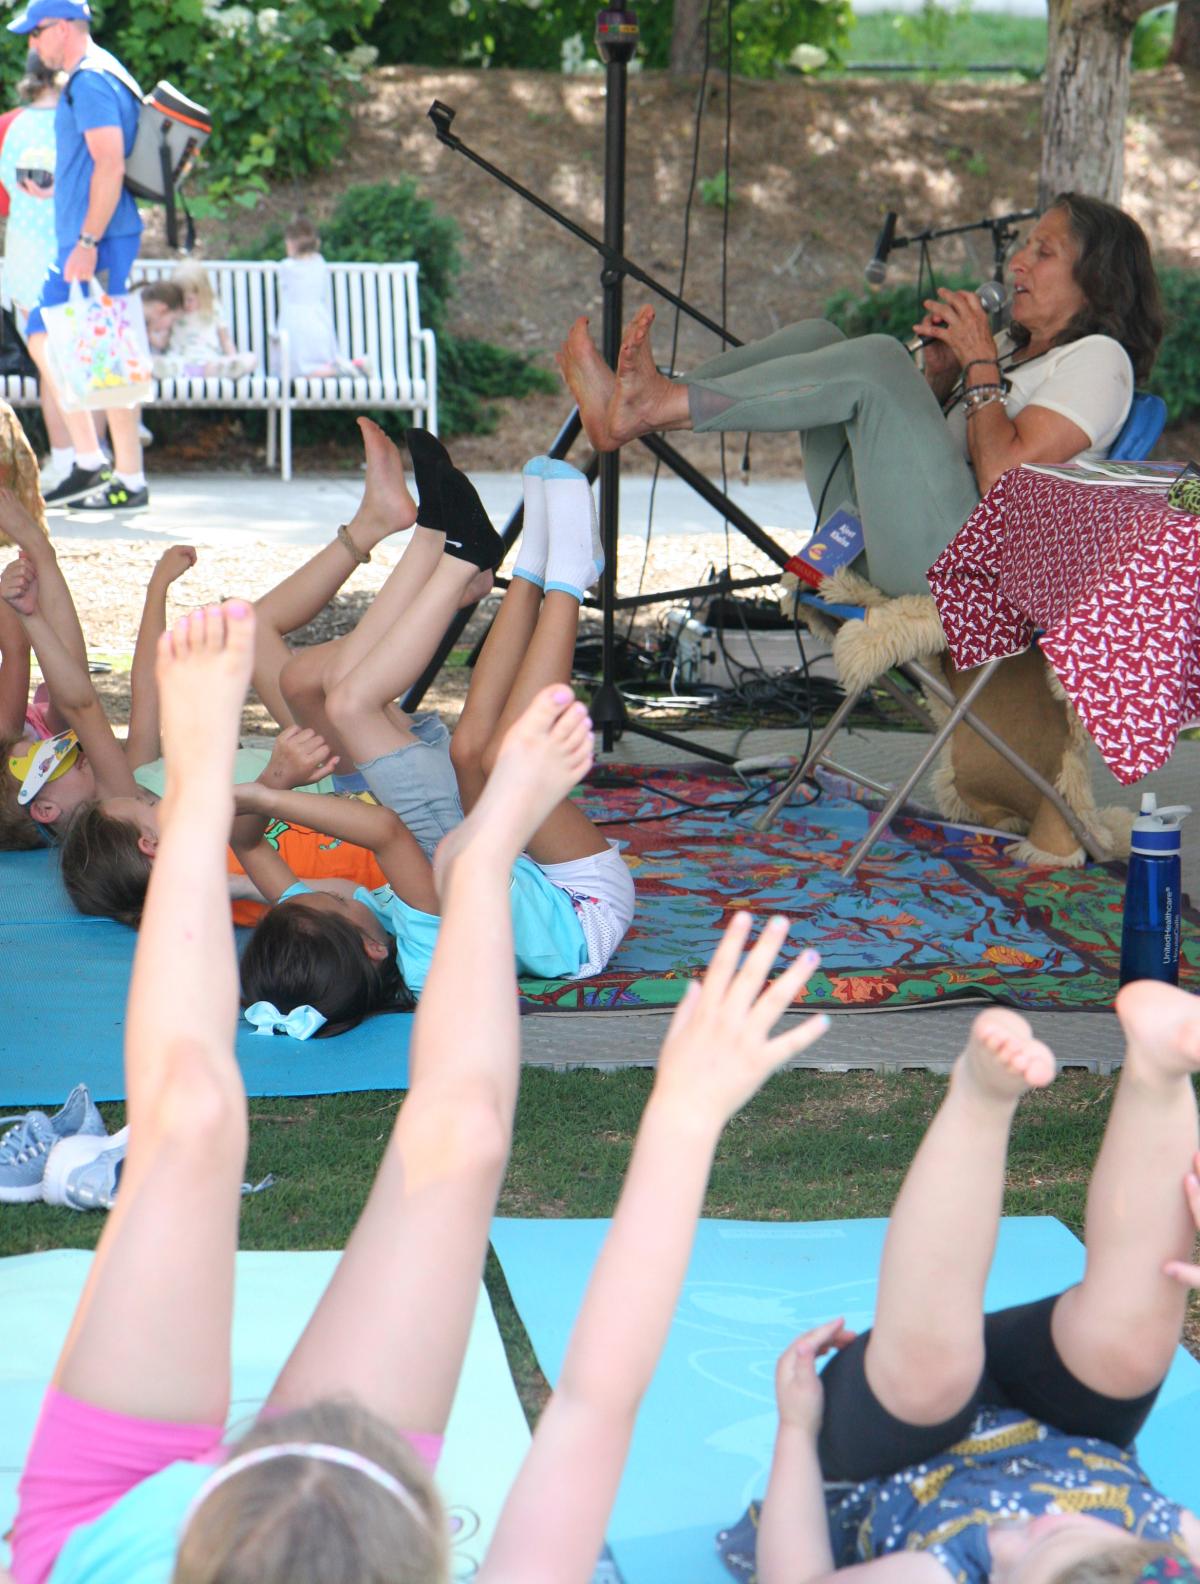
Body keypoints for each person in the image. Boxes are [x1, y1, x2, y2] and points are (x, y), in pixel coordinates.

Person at [6, 591, 830, 1583]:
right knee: (290, 1124)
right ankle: (473, 865)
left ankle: (217, 815)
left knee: (197, 1121)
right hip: (351, 1516)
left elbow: (593, 1405)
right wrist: (686, 1121)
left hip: (113, 1535)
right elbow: (594, 1405)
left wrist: (685, 1119)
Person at [721, 994, 1200, 1584]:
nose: (1044, 1519)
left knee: (933, 1372)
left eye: (1026, 1546)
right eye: (1089, 1531)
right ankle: (1159, 1067)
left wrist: (797, 1428)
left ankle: (981, 1094)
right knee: (1129, 1343)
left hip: (893, 1449)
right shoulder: (1180, 1550)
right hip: (1072, 1422)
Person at [558, 194, 1163, 597]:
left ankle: (648, 408)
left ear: (1097, 281)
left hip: (970, 576)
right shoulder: (1009, 344)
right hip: (885, 532)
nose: (1020, 265)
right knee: (820, 339)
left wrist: (977, 361)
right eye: (1025, 246)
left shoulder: (1099, 361)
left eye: (1044, 252)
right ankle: (648, 403)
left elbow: (1004, 475)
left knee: (874, 359)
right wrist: (938, 378)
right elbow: (921, 446)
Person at [234, 429, 634, 1030]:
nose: (335, 888)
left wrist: (251, 812)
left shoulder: (329, 928)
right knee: (501, 764)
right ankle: (571, 578)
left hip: (513, 872)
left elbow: (245, 844)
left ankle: (532, 564)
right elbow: (384, 830)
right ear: (372, 949)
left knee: (473, 749)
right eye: (333, 899)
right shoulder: (423, 954)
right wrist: (264, 794)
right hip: (581, 908)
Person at [8, 0, 148, 513]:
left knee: (92, 348)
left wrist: (88, 242)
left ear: (63, 29)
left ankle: (114, 470)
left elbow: (110, 164)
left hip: (97, 239)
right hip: (92, 237)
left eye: (36, 31)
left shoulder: (89, 81)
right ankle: (104, 464)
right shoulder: (99, 73)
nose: (32, 42)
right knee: (67, 339)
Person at [0, 51, 74, 492]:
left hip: (26, 252)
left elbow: (7, 191)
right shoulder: (78, 125)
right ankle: (87, 456)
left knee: (47, 361)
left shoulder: (10, 125)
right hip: (68, 247)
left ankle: (66, 457)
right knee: (75, 358)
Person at [275, 214, 368, 378]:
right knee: (314, 366)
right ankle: (348, 367)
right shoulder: (320, 263)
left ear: (292, 244)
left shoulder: (286, 267)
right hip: (320, 325)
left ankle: (341, 370)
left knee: (298, 370)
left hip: (296, 328)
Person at [160, 260, 257, 379]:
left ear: (202, 293)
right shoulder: (173, 311)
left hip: (209, 364)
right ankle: (164, 370)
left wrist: (232, 359)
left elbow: (225, 339)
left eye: (190, 300)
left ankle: (233, 370)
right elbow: (163, 340)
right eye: (181, 299)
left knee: (251, 358)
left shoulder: (213, 308)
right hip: (178, 364)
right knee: (157, 361)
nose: (185, 304)